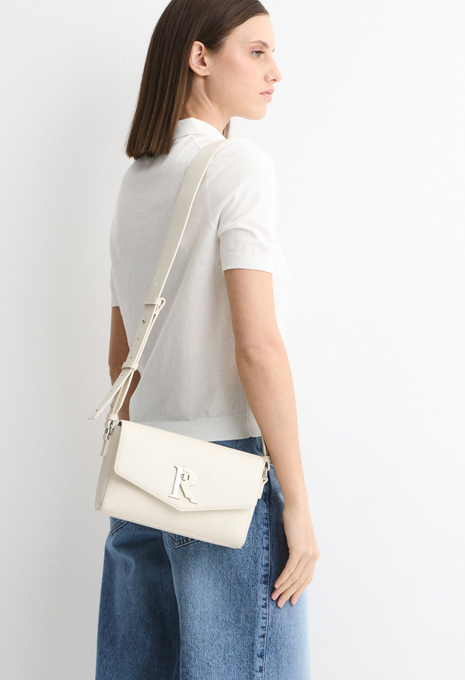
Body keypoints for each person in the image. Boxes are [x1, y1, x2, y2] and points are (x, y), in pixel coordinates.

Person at [95, 1, 320, 678]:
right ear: (200, 57)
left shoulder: (135, 181)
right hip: (227, 474)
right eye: (256, 51)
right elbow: (257, 346)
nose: (275, 71)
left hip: (142, 466)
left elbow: (122, 358)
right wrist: (298, 502)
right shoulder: (237, 166)